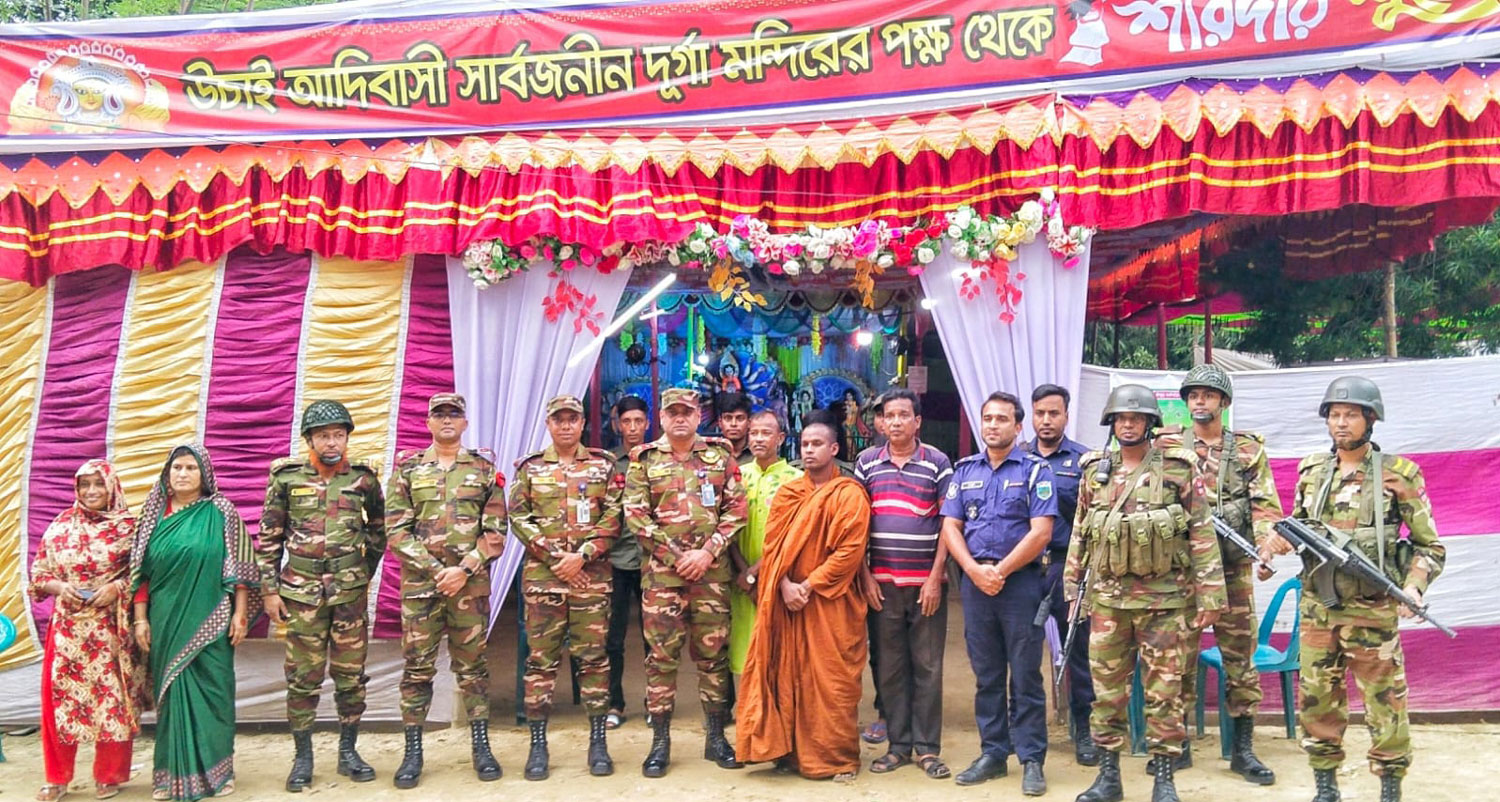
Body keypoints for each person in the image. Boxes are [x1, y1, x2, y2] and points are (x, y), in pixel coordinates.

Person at [1264, 376, 1445, 802]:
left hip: (1372, 611)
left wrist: (1414, 588)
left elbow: (1430, 547)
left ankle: (1389, 788)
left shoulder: (1400, 475)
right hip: (1318, 610)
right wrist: (1276, 544)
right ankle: (1326, 787)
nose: (1341, 423)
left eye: (1351, 415)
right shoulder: (1312, 471)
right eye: (1335, 415)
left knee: (1385, 704)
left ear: (1370, 419)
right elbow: (1299, 527)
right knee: (1317, 701)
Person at [1067, 385, 1224, 802]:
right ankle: (1108, 778)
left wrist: (1210, 596)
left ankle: (1165, 778)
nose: (1128, 423)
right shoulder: (1094, 471)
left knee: (1165, 694)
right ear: (1111, 424)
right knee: (1107, 695)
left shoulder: (1178, 469)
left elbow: (1201, 533)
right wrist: (1072, 588)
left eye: (1136, 418)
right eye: (1121, 418)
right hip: (1108, 603)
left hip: (1166, 602)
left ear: (1150, 423)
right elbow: (1081, 534)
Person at [1155, 365, 1280, 783]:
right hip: (1182, 573)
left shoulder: (1247, 449)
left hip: (1233, 570)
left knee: (1240, 661)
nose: (1200, 401)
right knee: (1178, 660)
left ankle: (1242, 749)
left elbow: (1265, 506)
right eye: (1193, 395)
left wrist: (1265, 547)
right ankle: (1179, 745)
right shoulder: (1167, 445)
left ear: (1223, 403)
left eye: (1209, 395)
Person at [257, 400, 385, 791]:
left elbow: (379, 530)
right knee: (302, 677)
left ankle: (349, 752)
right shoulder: (286, 478)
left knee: (350, 676)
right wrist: (269, 591)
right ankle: (303, 757)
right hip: (301, 596)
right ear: (310, 439)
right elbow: (269, 538)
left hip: (348, 596)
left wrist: (363, 574)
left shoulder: (363, 479)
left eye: (339, 435)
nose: (332, 442)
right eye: (324, 435)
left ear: (347, 437)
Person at [623, 387, 748, 778]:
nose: (680, 418)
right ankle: (660, 742)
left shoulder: (719, 456)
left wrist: (707, 553)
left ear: (698, 417)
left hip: (710, 577)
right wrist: (679, 557)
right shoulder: (642, 461)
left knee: (713, 658)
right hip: (663, 578)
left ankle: (715, 736)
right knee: (661, 660)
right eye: (672, 412)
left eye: (687, 412)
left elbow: (736, 509)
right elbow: (637, 517)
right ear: (661, 417)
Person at [736, 421, 871, 781]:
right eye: (804, 443)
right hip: (788, 603)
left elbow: (850, 552)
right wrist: (782, 586)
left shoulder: (849, 494)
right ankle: (787, 749)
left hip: (830, 604)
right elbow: (773, 549)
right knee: (786, 673)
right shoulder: (789, 494)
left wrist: (808, 586)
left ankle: (838, 758)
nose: (809, 450)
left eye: (817, 443)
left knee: (831, 680)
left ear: (834, 450)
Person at [385, 393, 507, 788]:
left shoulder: (484, 470)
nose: (448, 421)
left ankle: (481, 746)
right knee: (417, 669)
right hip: (423, 588)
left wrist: (464, 569)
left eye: (455, 414)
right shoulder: (408, 470)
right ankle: (413, 751)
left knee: (472, 669)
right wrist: (440, 571)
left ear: (466, 423)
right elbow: (396, 530)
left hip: (469, 588)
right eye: (440, 415)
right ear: (429, 423)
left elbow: (496, 532)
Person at [942, 392, 1057, 795]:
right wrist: (974, 571)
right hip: (975, 584)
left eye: (1002, 419)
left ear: (1018, 426)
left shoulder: (1034, 470)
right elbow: (951, 527)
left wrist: (1001, 571)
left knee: (1025, 675)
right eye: (987, 418)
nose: (993, 425)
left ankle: (1031, 759)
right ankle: (993, 753)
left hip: (1020, 583)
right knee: (987, 675)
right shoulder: (965, 470)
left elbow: (1041, 531)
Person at [129, 444, 258, 801]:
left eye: (190, 468)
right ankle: (168, 776)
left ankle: (219, 772)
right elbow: (140, 575)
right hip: (165, 620)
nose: (182, 474)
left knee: (215, 693)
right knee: (171, 695)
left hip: (213, 618)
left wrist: (240, 612)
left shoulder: (221, 512)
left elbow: (240, 568)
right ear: (167, 474)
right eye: (176, 468)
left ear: (205, 475)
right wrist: (140, 620)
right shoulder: (153, 516)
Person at [510, 395, 623, 780]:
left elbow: (614, 515)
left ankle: (597, 743)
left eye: (572, 419)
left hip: (590, 580)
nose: (565, 426)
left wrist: (583, 556)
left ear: (581, 424)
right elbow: (518, 516)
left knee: (594, 659)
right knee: (540, 663)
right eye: (558, 420)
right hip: (545, 581)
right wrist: (557, 558)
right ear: (548, 424)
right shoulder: (530, 468)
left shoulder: (602, 465)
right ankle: (538, 745)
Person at [30, 460, 145, 802]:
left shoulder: (129, 527)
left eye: (98, 484)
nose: (91, 491)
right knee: (58, 703)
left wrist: (117, 588)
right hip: (67, 630)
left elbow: (144, 575)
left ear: (112, 486)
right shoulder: (60, 525)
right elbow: (38, 574)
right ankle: (57, 778)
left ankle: (109, 776)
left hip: (111, 629)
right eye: (85, 485)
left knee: (112, 702)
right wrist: (57, 587)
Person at [855, 388, 954, 780]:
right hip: (882, 584)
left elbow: (950, 523)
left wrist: (936, 577)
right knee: (891, 667)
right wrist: (863, 574)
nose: (895, 422)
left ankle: (927, 749)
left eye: (903, 415)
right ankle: (898, 745)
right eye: (888, 416)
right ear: (881, 423)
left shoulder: (938, 462)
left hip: (926, 584)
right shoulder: (866, 463)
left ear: (917, 421)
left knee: (928, 666)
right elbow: (857, 524)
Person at [1026, 384, 1098, 766]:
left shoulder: (1084, 461)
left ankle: (1083, 730)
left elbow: (1093, 522)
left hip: (1066, 568)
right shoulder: (1017, 459)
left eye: (1054, 413)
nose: (1046, 420)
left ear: (1066, 416)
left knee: (1078, 653)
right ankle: (1024, 729)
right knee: (1021, 652)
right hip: (1023, 571)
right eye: (1040, 413)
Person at [728, 410, 802, 680]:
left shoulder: (794, 480)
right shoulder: (736, 476)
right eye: (754, 433)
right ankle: (747, 714)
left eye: (766, 433)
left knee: (778, 649)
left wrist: (756, 572)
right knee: (742, 648)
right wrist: (744, 573)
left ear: (780, 438)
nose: (759, 439)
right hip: (740, 579)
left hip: (778, 578)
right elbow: (728, 528)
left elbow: (792, 533)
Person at [605, 395, 650, 728]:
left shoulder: (657, 460)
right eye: (626, 422)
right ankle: (614, 704)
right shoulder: (608, 464)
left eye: (638, 421)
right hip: (616, 559)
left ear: (647, 424)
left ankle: (655, 702)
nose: (632, 428)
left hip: (653, 560)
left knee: (655, 636)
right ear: (617, 424)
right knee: (613, 637)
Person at [717, 392, 754, 465]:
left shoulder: (757, 452)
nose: (733, 424)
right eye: (728, 418)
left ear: (749, 422)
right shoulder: (711, 452)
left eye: (740, 418)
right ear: (720, 422)